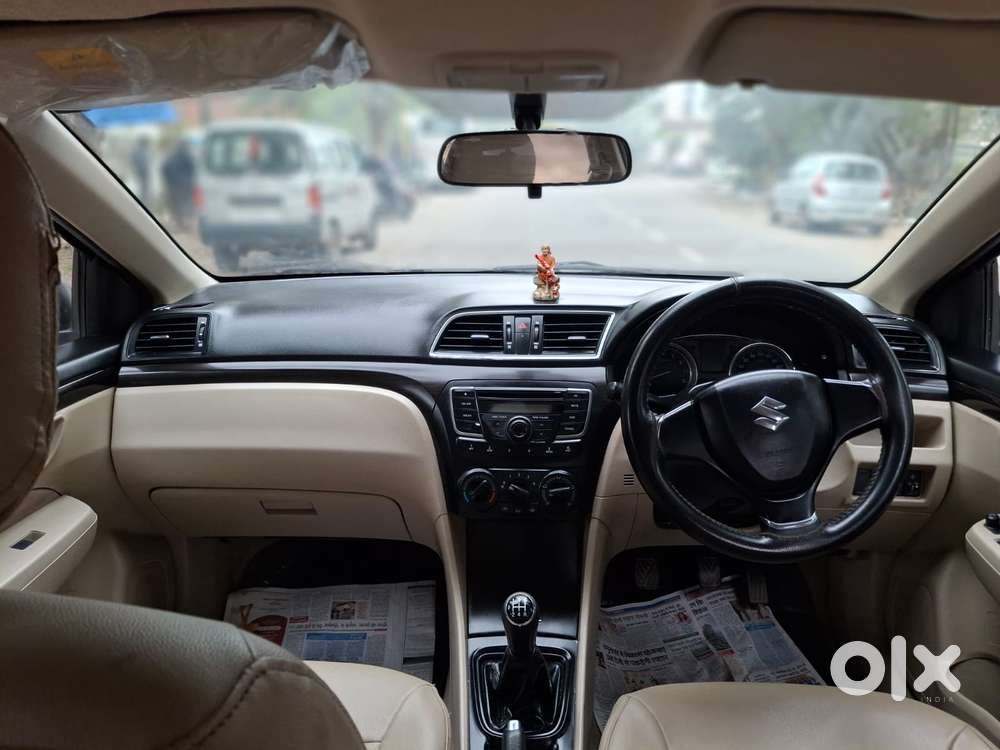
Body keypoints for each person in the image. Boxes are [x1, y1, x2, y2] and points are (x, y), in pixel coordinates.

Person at [161, 139, 196, 231]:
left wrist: (169, 182)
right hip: (184, 185)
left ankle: (180, 224)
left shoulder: (171, 156)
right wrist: (189, 181)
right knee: (184, 204)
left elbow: (165, 169)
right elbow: (192, 168)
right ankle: (184, 225)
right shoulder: (186, 155)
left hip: (174, 185)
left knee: (177, 206)